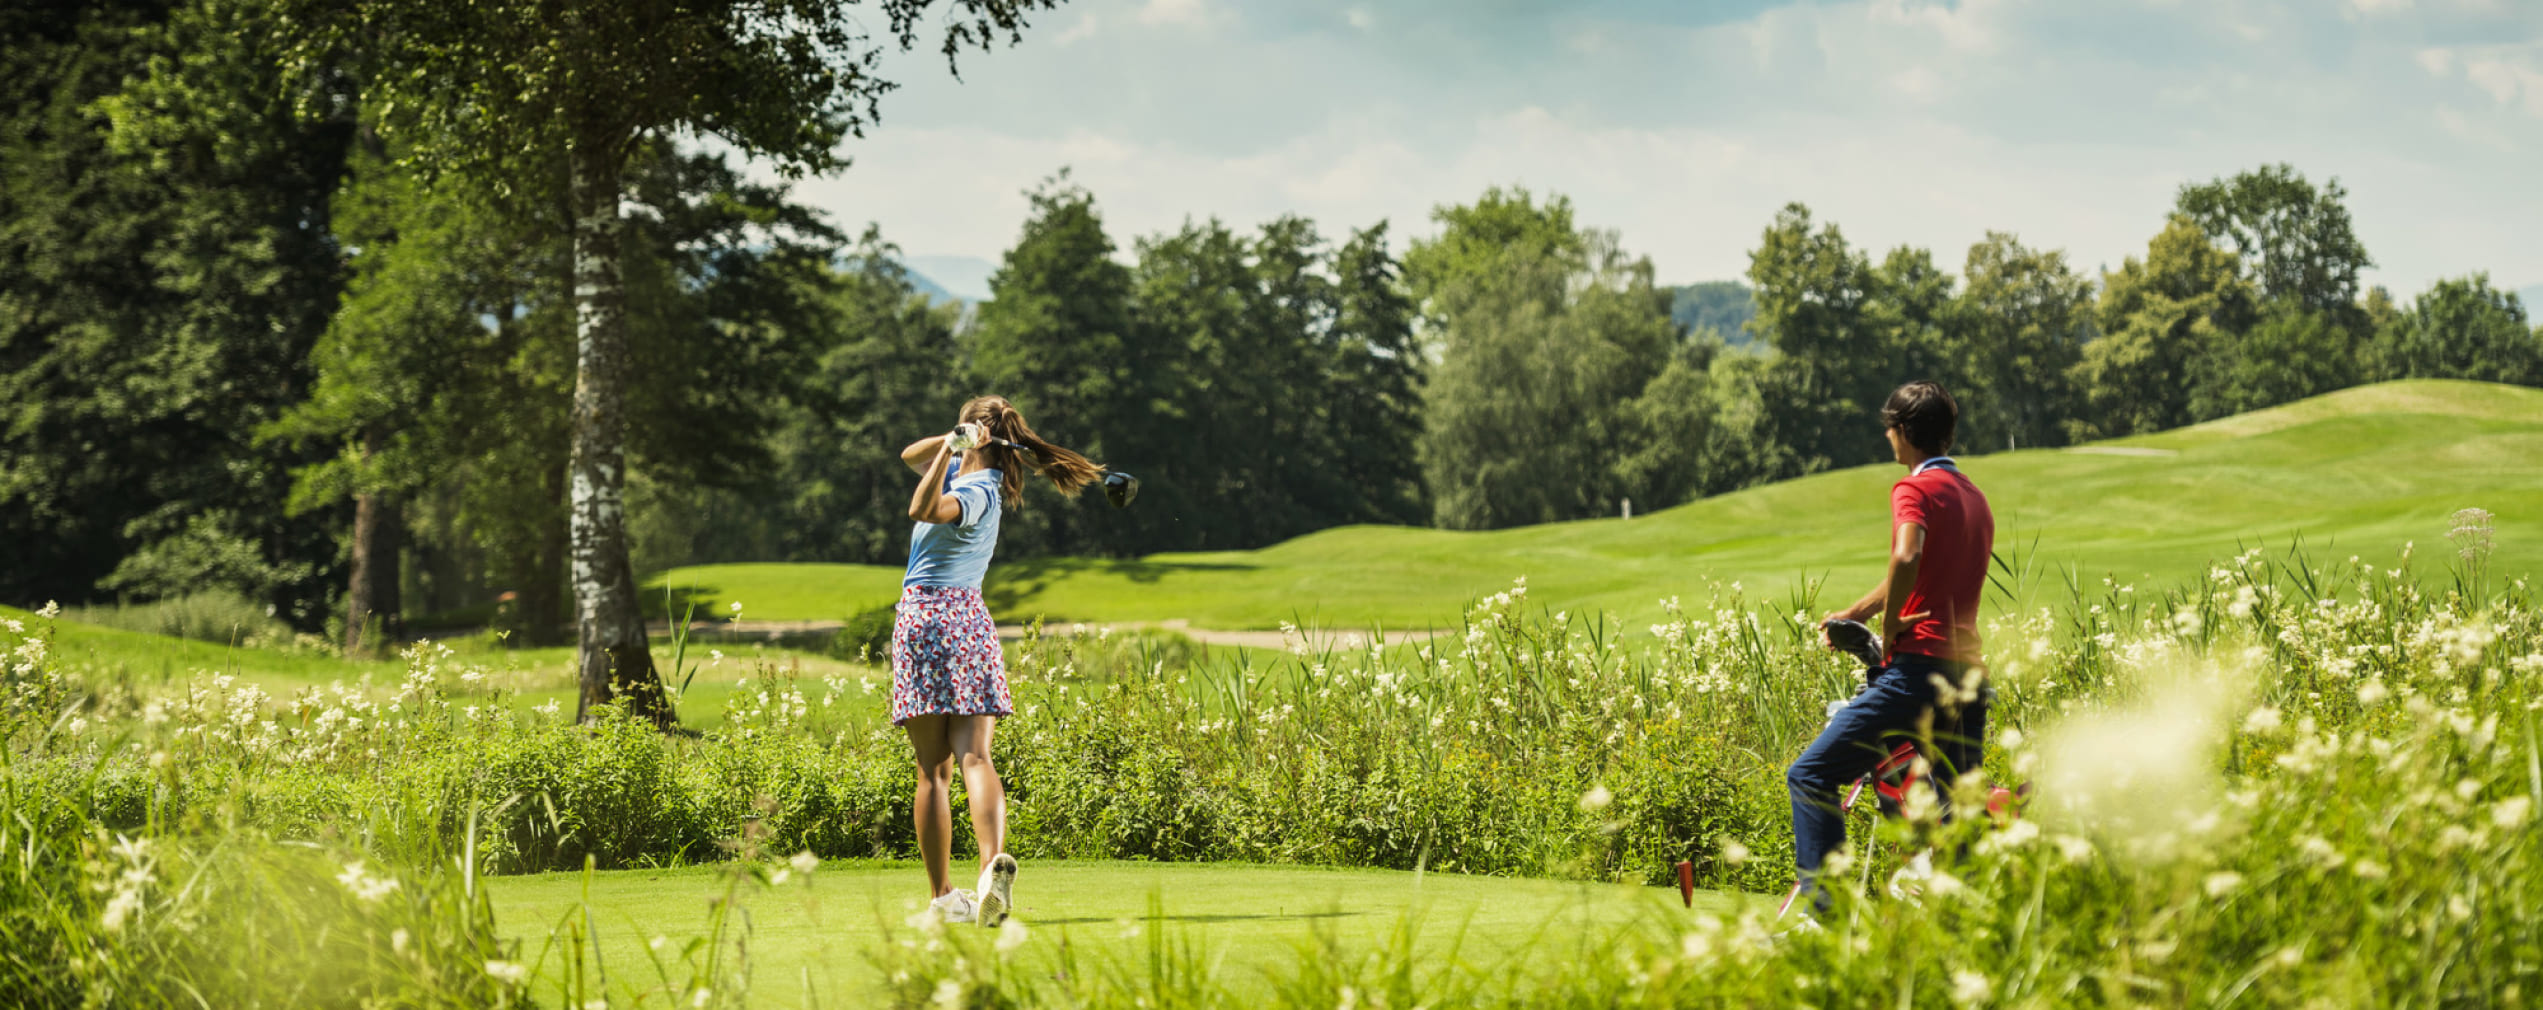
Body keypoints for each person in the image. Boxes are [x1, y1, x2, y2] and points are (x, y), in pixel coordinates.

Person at [1784, 380, 1995, 918]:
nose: (1887, 437)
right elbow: (1918, 569)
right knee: (1958, 813)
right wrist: (1858, 614)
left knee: (1810, 775)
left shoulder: (1913, 489)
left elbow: (1907, 555)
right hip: (1967, 678)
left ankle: (1823, 920)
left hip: (1916, 674)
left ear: (1902, 432)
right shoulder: (1974, 496)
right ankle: (1974, 932)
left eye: (1889, 428)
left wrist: (1897, 619)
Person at [893, 395, 1104, 926]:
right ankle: (989, 875)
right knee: (975, 758)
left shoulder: (975, 491)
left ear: (977, 434)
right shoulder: (971, 478)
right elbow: (907, 454)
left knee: (933, 773)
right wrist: (951, 439)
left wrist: (951, 447)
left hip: (926, 619)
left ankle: (947, 895)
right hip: (968, 623)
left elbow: (920, 508)